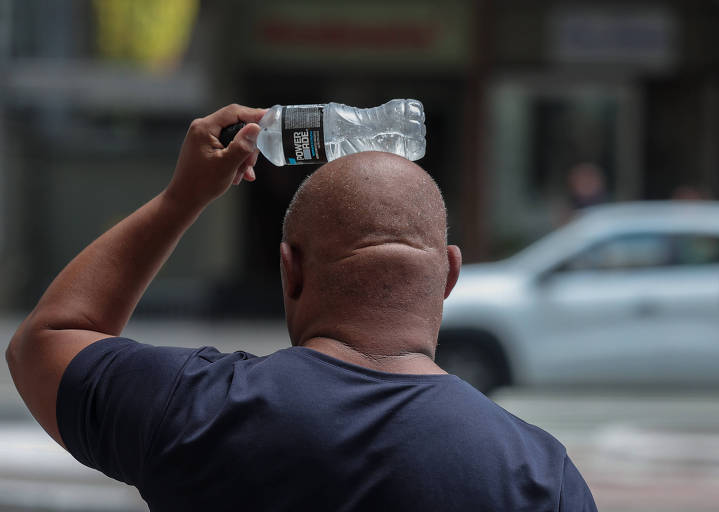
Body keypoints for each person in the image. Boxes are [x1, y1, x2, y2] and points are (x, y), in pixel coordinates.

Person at [6, 104, 597, 511]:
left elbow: (46, 341)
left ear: (289, 270)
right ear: (448, 275)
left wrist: (183, 197)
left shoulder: (201, 409)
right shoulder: (540, 476)